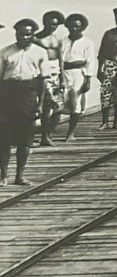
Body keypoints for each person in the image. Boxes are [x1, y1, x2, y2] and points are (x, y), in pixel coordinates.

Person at [1, 19, 49, 185]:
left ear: (33, 35)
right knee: (4, 138)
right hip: (7, 96)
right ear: (16, 34)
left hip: (28, 95)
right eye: (20, 34)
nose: (24, 37)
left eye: (28, 34)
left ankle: (19, 176)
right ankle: (4, 176)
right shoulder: (5, 52)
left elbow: (43, 80)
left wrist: (41, 104)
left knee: (25, 139)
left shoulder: (40, 53)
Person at [59, 13, 96, 141]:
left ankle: (70, 133)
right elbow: (59, 60)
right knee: (59, 103)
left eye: (77, 27)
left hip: (78, 74)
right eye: (71, 26)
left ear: (82, 27)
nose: (74, 29)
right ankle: (48, 134)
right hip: (63, 74)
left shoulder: (87, 43)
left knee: (76, 104)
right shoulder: (62, 41)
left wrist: (88, 80)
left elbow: (90, 61)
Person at [34, 10, 66, 147]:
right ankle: (44, 136)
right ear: (44, 22)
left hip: (56, 71)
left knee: (58, 107)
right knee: (47, 105)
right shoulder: (36, 39)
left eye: (55, 24)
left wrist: (63, 77)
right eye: (50, 24)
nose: (52, 26)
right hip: (43, 71)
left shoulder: (57, 39)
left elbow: (61, 59)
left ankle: (49, 133)